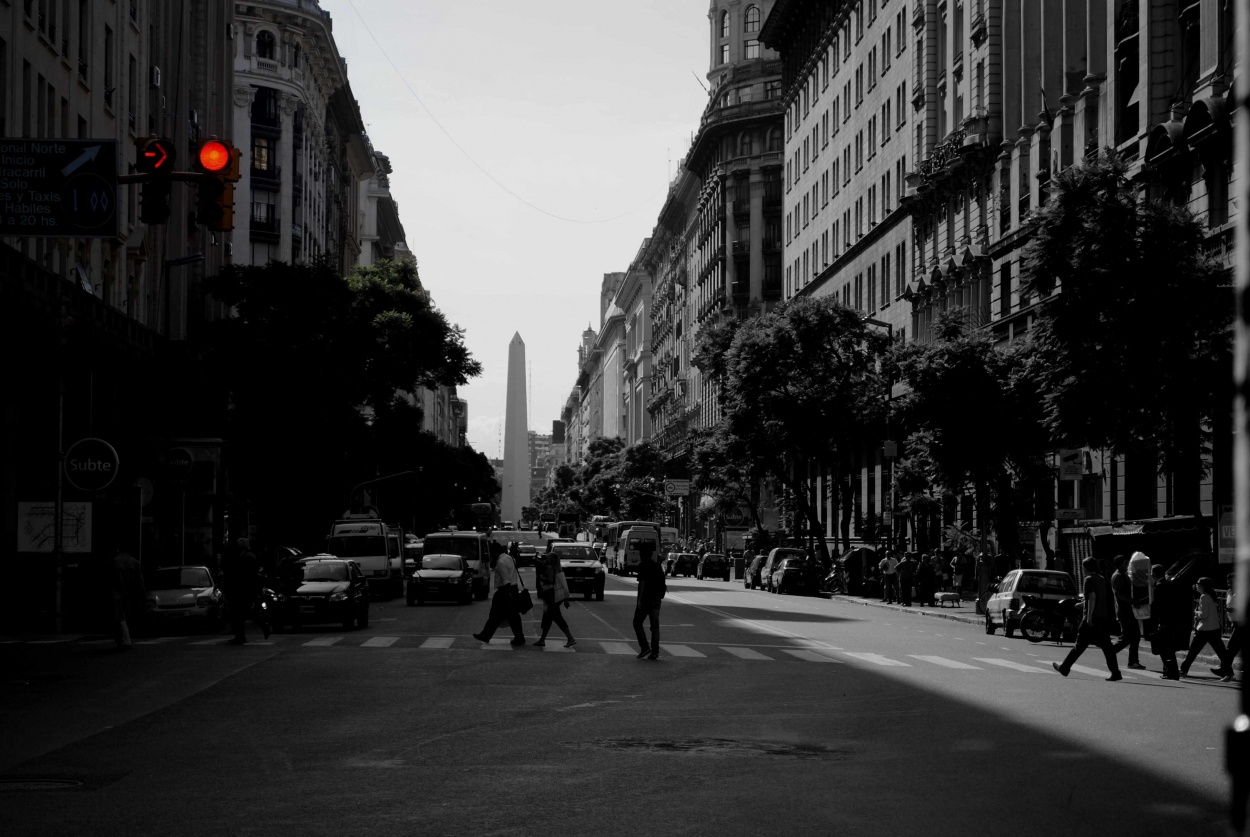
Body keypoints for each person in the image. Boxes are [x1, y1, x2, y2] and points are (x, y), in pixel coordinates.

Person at [1053, 558, 1123, 681]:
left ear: (1085, 568)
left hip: (1092, 618)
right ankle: (1115, 672)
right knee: (1107, 647)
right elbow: (1098, 598)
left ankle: (1064, 668)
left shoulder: (1088, 580)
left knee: (1079, 646)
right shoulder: (1102, 579)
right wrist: (1081, 605)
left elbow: (1092, 598)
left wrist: (1089, 618)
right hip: (1103, 617)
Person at [473, 541, 526, 646]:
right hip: (513, 589)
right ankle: (519, 637)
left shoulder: (500, 562)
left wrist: (507, 595)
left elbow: (506, 580)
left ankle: (486, 635)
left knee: (496, 615)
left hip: (504, 590)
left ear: (496, 552)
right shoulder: (509, 558)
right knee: (512, 616)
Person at [1180, 576, 1231, 678]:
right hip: (1214, 627)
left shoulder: (1204, 597)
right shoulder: (1211, 595)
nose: (1196, 586)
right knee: (1221, 652)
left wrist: (1196, 613)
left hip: (1205, 629)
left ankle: (1183, 670)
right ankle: (1229, 672)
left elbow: (1204, 614)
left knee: (1193, 651)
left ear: (1202, 586)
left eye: (1198, 584)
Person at [221, 538, 266, 644]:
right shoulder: (248, 556)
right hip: (243, 589)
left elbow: (245, 575)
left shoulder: (247, 557)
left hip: (243, 590)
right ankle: (241, 635)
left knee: (239, 612)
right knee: (242, 612)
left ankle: (243, 634)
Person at [1149, 563, 1190, 680]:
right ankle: (1168, 671)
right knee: (1167, 648)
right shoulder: (1168, 584)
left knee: (1165, 648)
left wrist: (1159, 622)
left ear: (1154, 574)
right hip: (1172, 620)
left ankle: (1171, 672)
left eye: (1152, 573)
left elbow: (1160, 607)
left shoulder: (1160, 586)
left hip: (1165, 621)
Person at [534, 541, 575, 648]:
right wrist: (565, 600)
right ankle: (542, 640)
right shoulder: (558, 570)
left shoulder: (550, 568)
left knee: (555, 617)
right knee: (550, 617)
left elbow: (550, 580)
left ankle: (570, 638)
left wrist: (541, 577)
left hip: (551, 596)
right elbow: (562, 585)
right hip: (555, 597)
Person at [1109, 555, 1146, 670]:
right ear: (1119, 564)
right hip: (1123, 610)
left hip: (1129, 610)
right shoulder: (1118, 576)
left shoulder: (1125, 575)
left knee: (1135, 637)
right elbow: (1118, 593)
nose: (1127, 565)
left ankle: (1133, 661)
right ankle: (1110, 652)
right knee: (1128, 637)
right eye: (1125, 563)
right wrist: (1132, 601)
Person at [633, 540, 666, 660]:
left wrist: (639, 600)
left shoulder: (642, 565)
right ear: (651, 553)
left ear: (642, 553)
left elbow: (641, 584)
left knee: (637, 622)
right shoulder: (657, 566)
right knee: (655, 627)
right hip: (657, 599)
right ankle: (655, 651)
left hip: (646, 599)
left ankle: (644, 647)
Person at [110, 546, 145, 650]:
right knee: (127, 615)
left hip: (117, 592)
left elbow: (110, 580)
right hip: (131, 592)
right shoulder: (135, 562)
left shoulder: (114, 562)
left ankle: (124, 641)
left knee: (119, 617)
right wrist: (142, 594)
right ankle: (126, 640)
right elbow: (140, 581)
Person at [1217, 573, 1241, 681]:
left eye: (1232, 582)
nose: (1229, 584)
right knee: (1231, 650)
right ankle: (1227, 671)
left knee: (1230, 649)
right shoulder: (1228, 592)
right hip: (1234, 623)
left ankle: (1226, 671)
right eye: (1228, 582)